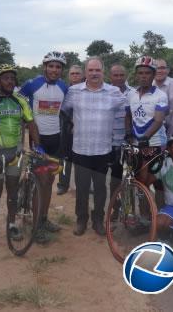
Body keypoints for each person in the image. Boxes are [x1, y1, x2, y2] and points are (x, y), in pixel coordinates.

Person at [0, 64, 42, 247]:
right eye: (6, 78)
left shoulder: (21, 100)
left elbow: (31, 124)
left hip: (15, 152)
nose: (10, 81)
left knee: (12, 191)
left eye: (12, 78)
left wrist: (38, 147)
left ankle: (12, 224)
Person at [61, 57, 125, 236]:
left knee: (100, 188)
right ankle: (81, 220)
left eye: (98, 70)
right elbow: (64, 112)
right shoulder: (74, 91)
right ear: (85, 72)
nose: (95, 73)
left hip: (103, 150)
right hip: (80, 149)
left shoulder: (114, 92)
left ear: (103, 72)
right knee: (81, 188)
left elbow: (129, 109)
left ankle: (98, 220)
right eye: (91, 70)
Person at [19, 52, 68, 244]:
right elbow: (18, 103)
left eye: (58, 67)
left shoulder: (64, 87)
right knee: (41, 180)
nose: (55, 70)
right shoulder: (32, 84)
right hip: (37, 139)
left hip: (55, 139)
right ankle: (36, 225)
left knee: (50, 182)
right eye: (51, 66)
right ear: (45, 67)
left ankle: (44, 218)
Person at [124, 56, 168, 208]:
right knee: (140, 181)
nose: (143, 76)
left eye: (147, 73)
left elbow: (158, 120)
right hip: (137, 144)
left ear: (153, 75)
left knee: (156, 182)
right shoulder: (131, 94)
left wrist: (146, 137)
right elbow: (128, 115)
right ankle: (144, 216)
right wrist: (129, 132)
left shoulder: (160, 95)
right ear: (136, 75)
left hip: (155, 143)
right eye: (140, 73)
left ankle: (160, 215)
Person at [56, 64, 84, 195]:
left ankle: (84, 185)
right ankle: (63, 184)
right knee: (65, 159)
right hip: (66, 129)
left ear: (83, 75)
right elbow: (60, 110)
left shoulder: (87, 90)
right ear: (69, 76)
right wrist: (70, 121)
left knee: (82, 160)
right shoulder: (64, 90)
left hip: (84, 130)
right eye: (72, 73)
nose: (75, 76)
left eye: (77, 73)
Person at [109, 63, 132, 210]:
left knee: (130, 179)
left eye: (121, 75)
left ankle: (129, 211)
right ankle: (114, 210)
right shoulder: (104, 92)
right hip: (109, 143)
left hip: (128, 142)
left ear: (126, 76)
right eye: (115, 75)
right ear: (110, 76)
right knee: (115, 179)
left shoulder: (134, 93)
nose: (118, 78)